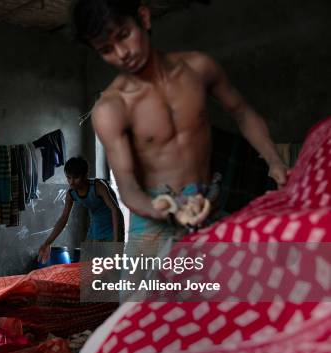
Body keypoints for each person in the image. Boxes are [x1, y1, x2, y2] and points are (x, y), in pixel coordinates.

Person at [71, 0, 289, 240]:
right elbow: (129, 189)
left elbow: (242, 112)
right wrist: (168, 210)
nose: (122, 53)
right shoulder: (111, 109)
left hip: (209, 199)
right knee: (147, 279)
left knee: (236, 270)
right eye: (106, 50)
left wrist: (273, 160)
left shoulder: (199, 68)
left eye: (124, 35)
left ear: (143, 18)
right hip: (155, 210)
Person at [38, 156, 124, 263]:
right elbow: (64, 218)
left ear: (85, 175)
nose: (71, 182)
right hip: (95, 228)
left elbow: (115, 211)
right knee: (88, 268)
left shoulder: (98, 186)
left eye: (76, 177)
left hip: (112, 228)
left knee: (110, 268)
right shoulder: (71, 193)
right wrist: (47, 242)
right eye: (69, 177)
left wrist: (117, 242)